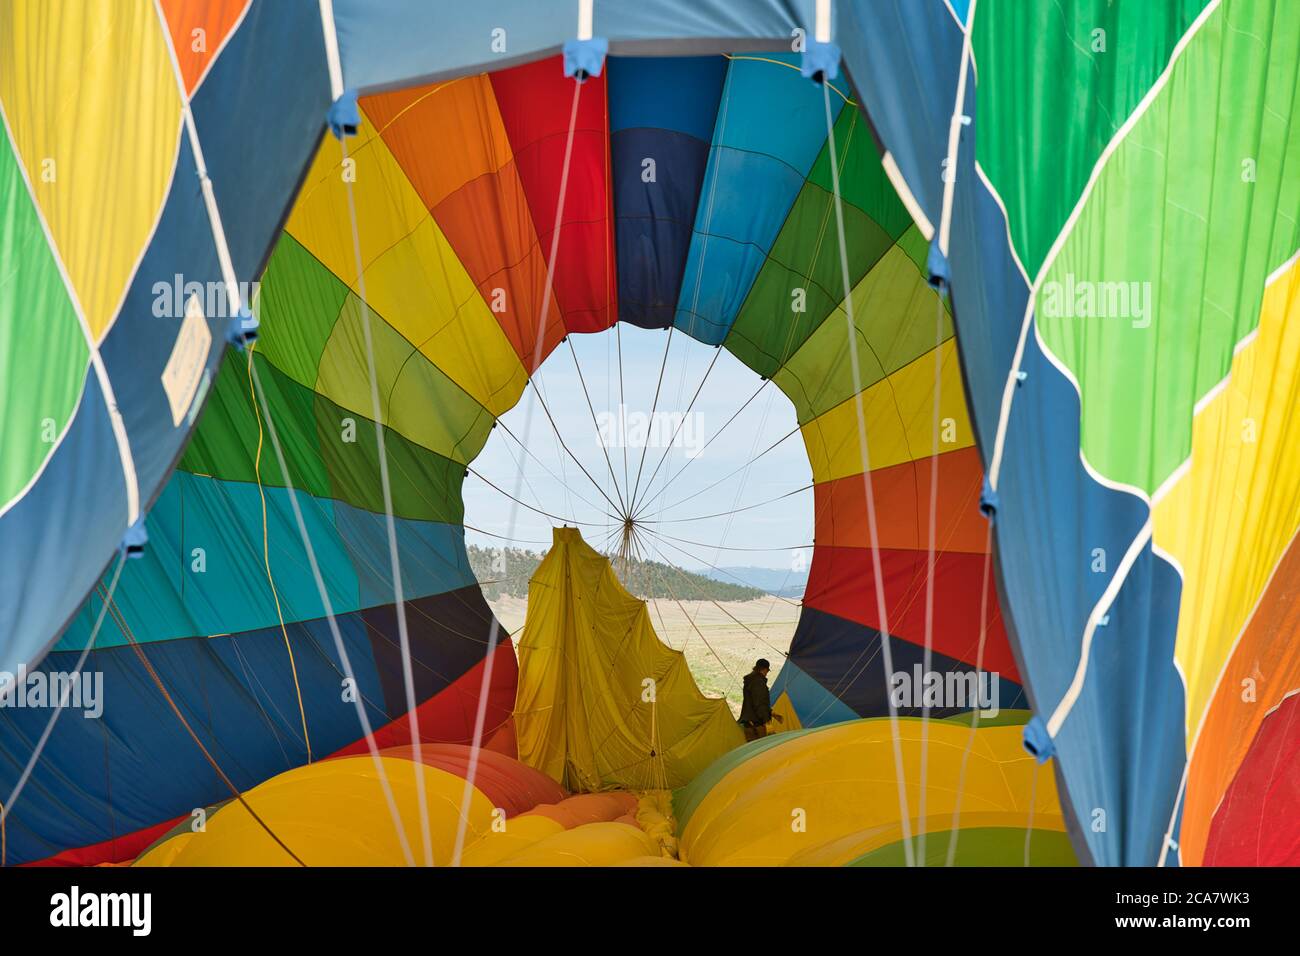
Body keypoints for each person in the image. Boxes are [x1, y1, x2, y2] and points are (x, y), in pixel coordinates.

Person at [738, 659, 783, 742]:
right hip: (755, 725)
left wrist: (771, 713)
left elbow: (754, 702)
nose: (766, 674)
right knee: (760, 749)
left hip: (749, 723)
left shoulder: (751, 680)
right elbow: (759, 704)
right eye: (767, 671)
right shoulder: (758, 682)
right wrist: (767, 722)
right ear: (764, 669)